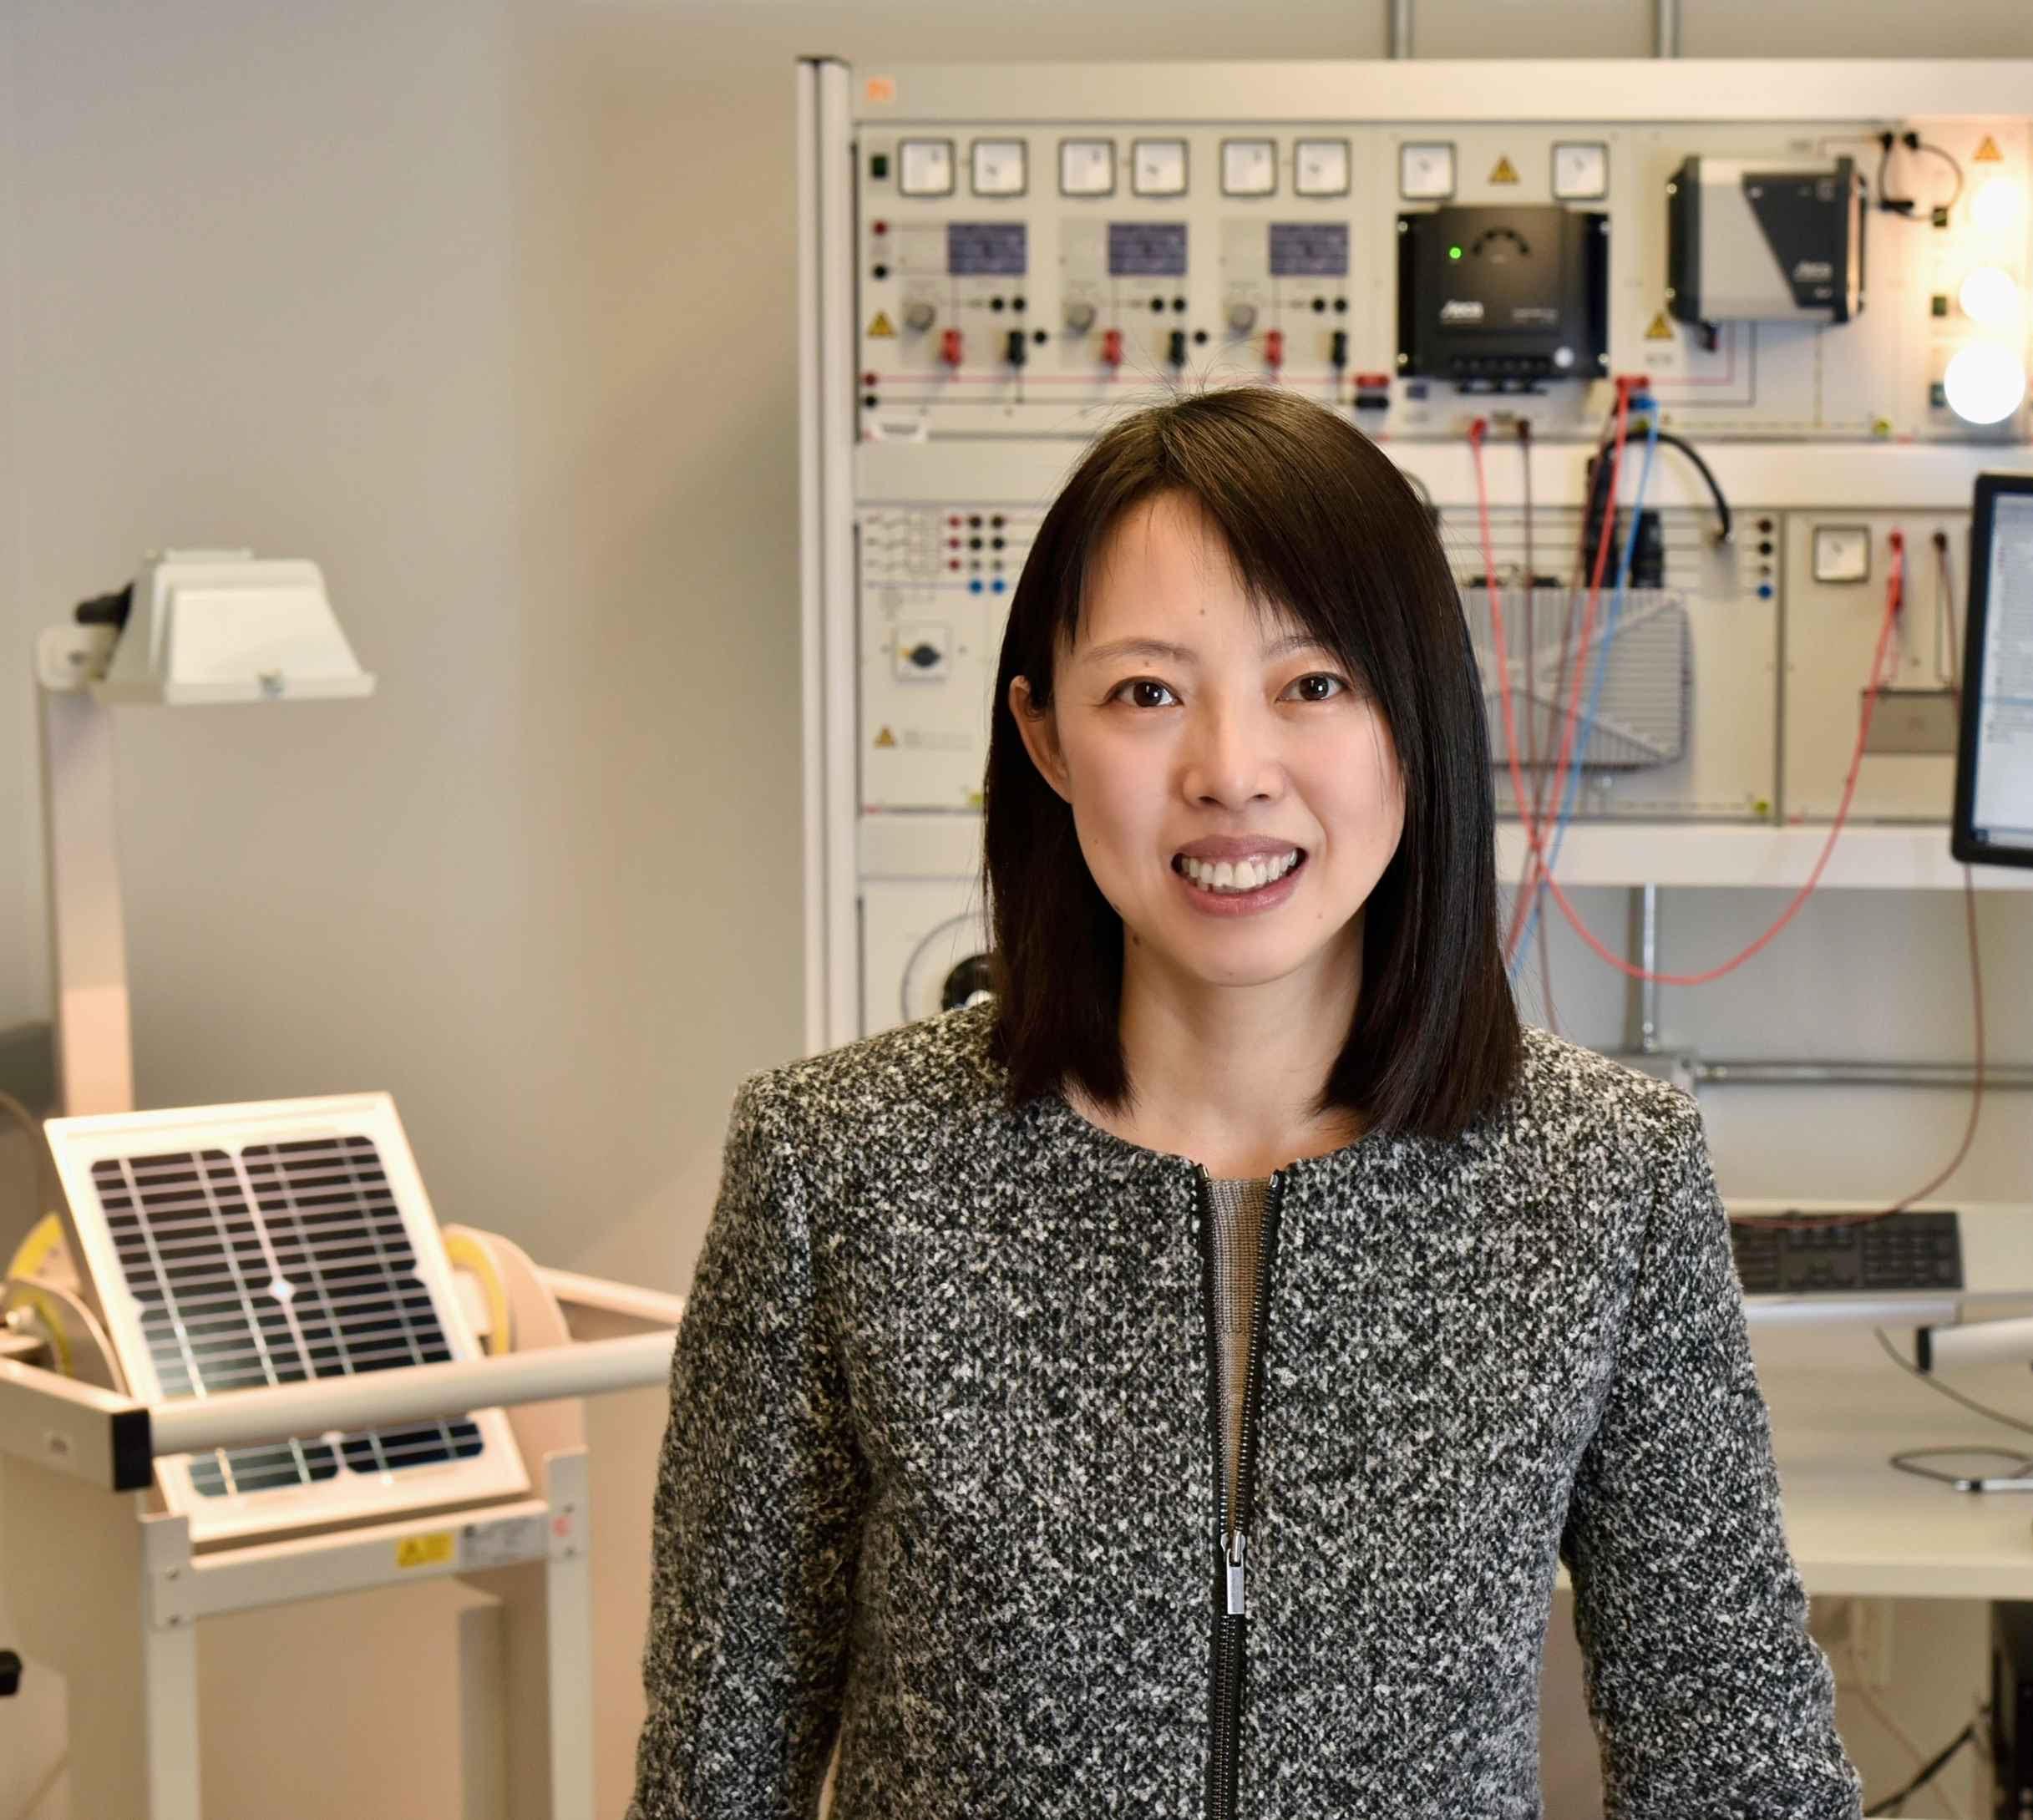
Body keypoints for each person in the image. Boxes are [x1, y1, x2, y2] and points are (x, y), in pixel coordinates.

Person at [626, 385, 1860, 1818]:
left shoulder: (1604, 1179)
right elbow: (717, 1766)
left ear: (1416, 721)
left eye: (1313, 684)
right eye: (1146, 692)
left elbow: (1734, 1751)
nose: (1229, 772)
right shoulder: (834, 1170)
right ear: (1043, 738)